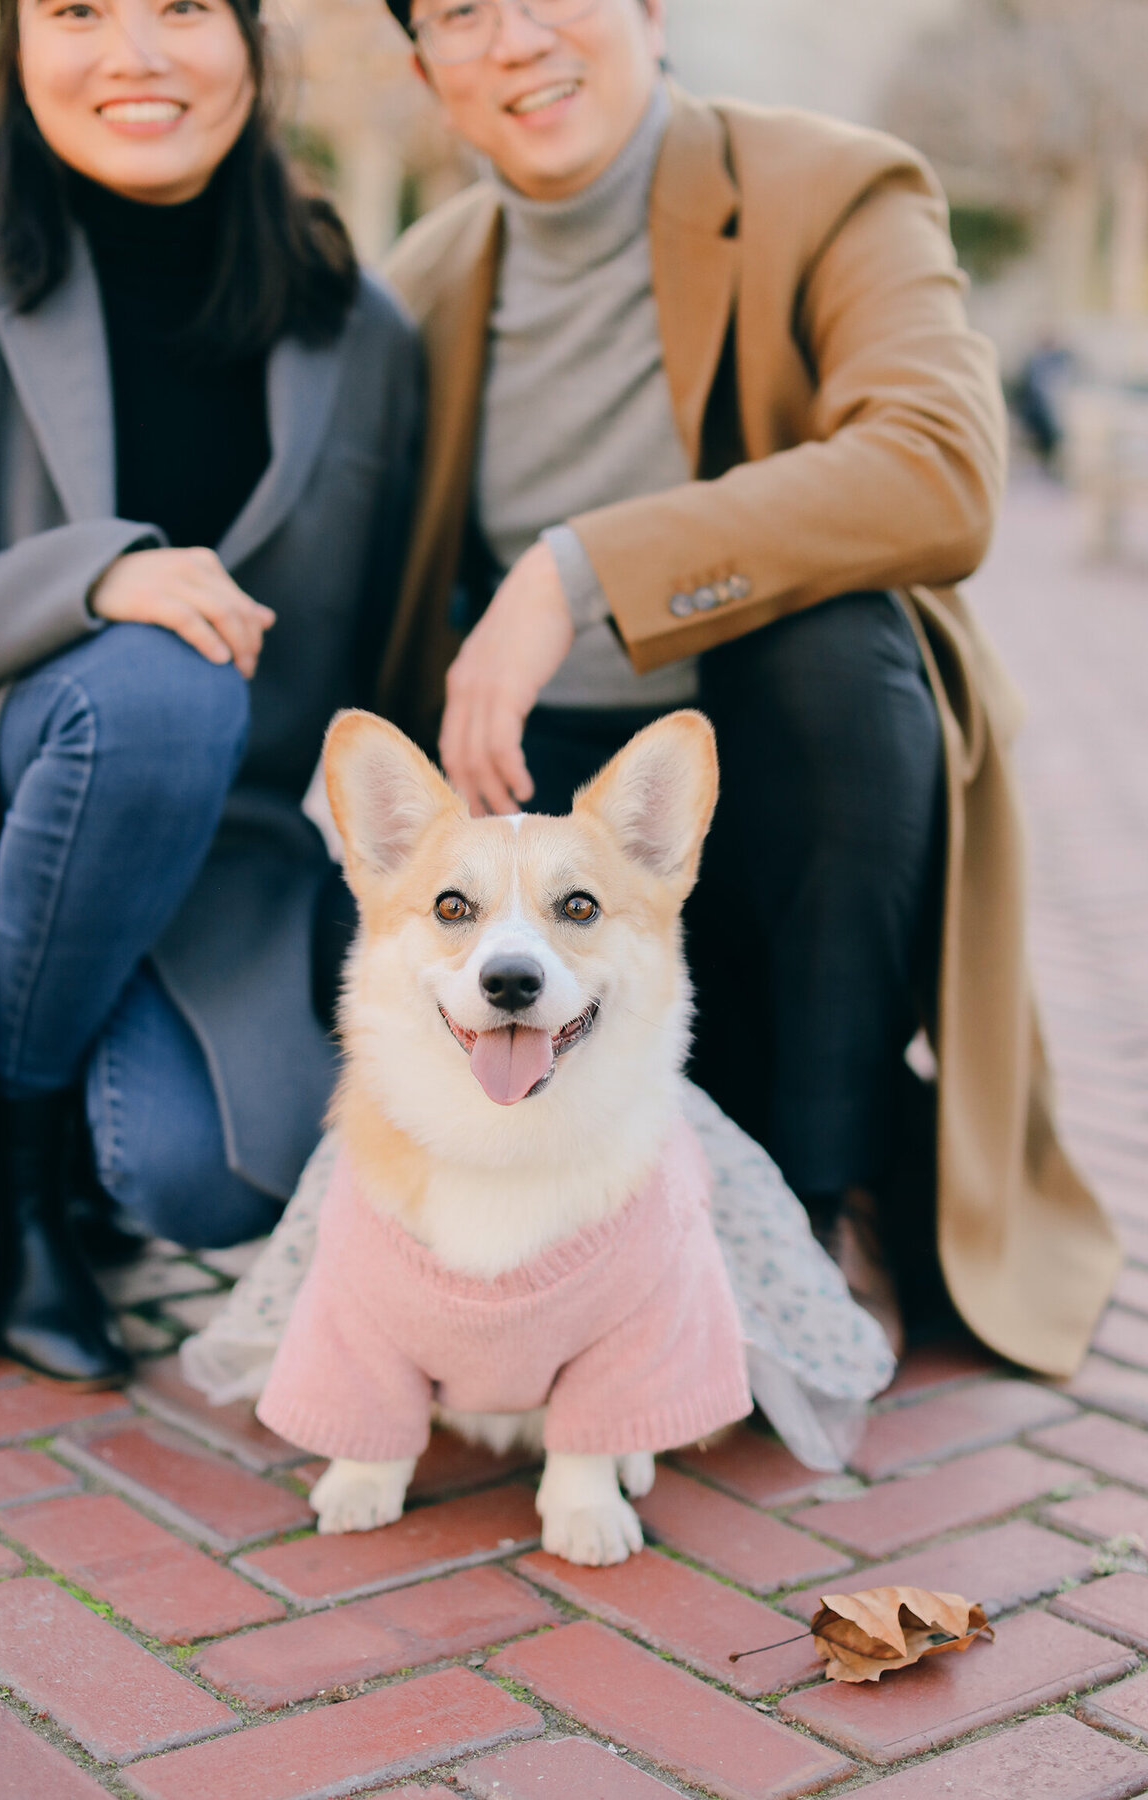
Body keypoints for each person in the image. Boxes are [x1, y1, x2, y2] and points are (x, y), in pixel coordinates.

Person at [372, 0, 1120, 1374]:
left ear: (652, 12)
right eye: (464, 12)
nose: (518, 37)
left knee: (836, 655)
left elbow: (941, 468)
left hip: (770, 764)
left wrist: (579, 565)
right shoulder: (418, 282)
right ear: (427, 74)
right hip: (530, 789)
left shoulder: (835, 186)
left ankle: (810, 1215)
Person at [0, 0, 420, 1384]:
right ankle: (23, 1188)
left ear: (256, 41)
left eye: (182, 7)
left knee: (213, 1178)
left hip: (230, 857)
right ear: (14, 47)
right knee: (157, 689)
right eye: (78, 10)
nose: (132, 56)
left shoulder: (362, 331)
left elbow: (396, 638)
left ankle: (99, 1164)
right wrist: (94, 578)